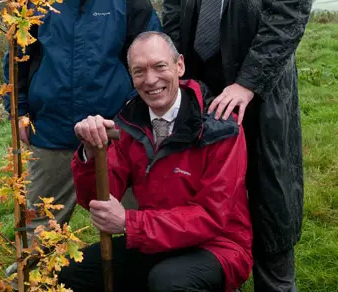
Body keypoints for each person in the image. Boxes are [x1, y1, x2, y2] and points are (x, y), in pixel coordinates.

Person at [162, 0, 317, 291]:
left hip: (261, 93)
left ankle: (275, 284)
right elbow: (172, 5)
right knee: (201, 199)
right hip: (201, 90)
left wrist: (247, 83)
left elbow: (286, 16)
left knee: (270, 199)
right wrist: (176, 76)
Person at [3, 0, 161, 233]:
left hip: (116, 134)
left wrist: (140, 121)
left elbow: (151, 56)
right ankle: (32, 283)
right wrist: (17, 111)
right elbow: (16, 59)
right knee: (38, 236)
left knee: (133, 230)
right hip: (50, 132)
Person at [59, 31, 253, 292]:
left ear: (179, 65)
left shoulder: (220, 127)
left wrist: (130, 223)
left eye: (159, 66)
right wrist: (91, 153)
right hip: (156, 239)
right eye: (139, 71)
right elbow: (98, 198)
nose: (150, 80)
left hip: (218, 245)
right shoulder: (129, 122)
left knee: (167, 282)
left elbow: (211, 216)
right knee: (69, 274)